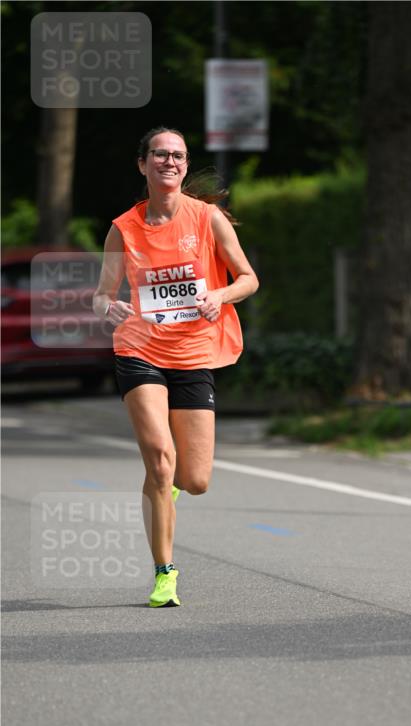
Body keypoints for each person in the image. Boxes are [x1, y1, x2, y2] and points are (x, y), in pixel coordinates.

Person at [93, 126, 259, 607]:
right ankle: (164, 573)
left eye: (178, 156)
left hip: (193, 354)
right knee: (160, 460)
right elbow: (102, 294)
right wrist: (109, 308)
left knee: (195, 480)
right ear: (142, 164)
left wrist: (219, 295)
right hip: (140, 349)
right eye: (161, 154)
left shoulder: (207, 219)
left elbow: (248, 278)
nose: (170, 162)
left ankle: (166, 489)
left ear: (185, 166)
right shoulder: (124, 227)